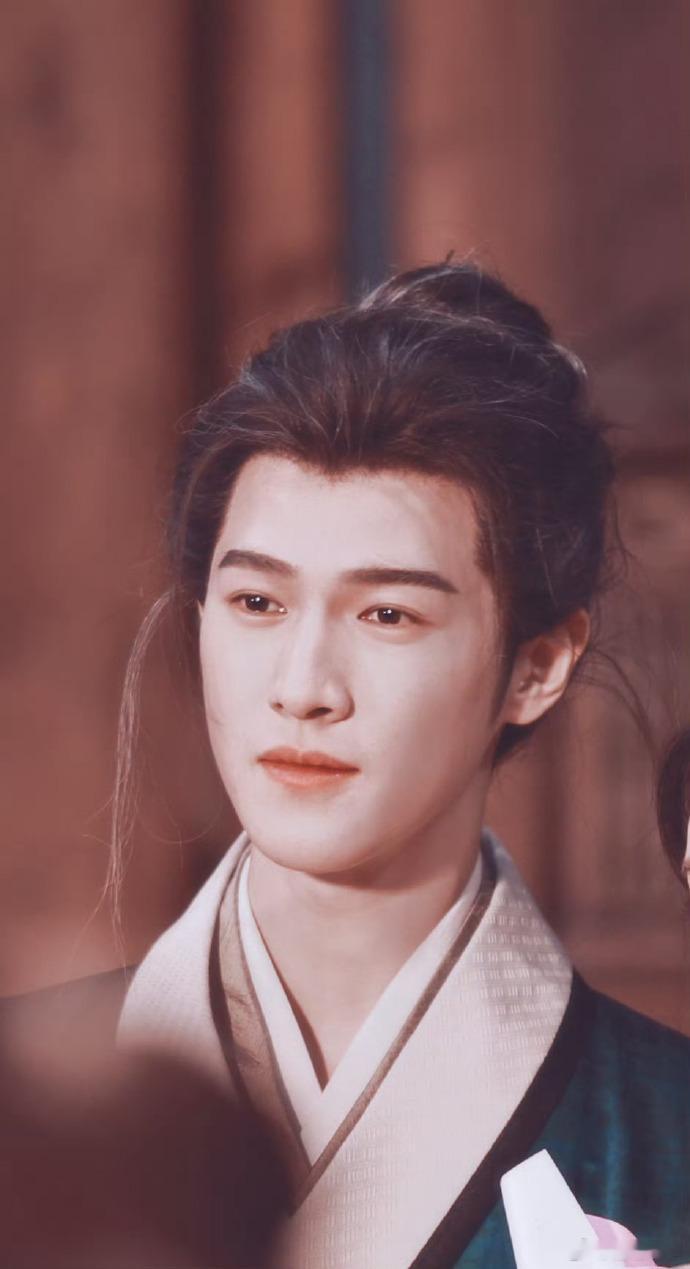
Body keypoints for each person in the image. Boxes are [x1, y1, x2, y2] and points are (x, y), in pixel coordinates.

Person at [28, 262, 690, 1267]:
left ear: (537, 665)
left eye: (388, 614)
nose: (303, 687)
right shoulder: (26, 1122)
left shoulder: (666, 1131)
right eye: (258, 603)